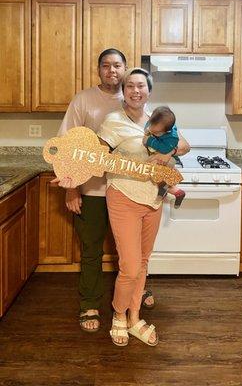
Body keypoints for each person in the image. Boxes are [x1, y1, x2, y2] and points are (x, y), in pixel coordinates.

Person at [56, 49, 154, 333]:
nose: (112, 71)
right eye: (106, 66)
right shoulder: (84, 100)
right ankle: (89, 302)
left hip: (130, 192)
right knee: (92, 250)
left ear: (125, 70)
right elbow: (68, 147)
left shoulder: (136, 98)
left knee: (133, 254)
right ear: (98, 70)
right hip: (93, 191)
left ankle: (136, 294)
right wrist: (71, 189)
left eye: (117, 66)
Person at [98, 68, 190, 346]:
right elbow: (97, 156)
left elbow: (184, 144)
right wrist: (72, 173)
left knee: (143, 262)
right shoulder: (113, 121)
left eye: (141, 86)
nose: (135, 91)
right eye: (130, 86)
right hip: (123, 196)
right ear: (123, 91)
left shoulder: (159, 119)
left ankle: (135, 317)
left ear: (149, 91)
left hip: (153, 199)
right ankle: (118, 316)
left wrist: (167, 153)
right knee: (130, 265)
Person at [143, 105, 186, 208]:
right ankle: (177, 192)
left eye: (156, 132)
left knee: (149, 166)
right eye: (151, 126)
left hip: (170, 159)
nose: (152, 131)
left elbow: (165, 149)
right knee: (157, 173)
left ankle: (166, 189)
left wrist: (149, 140)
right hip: (160, 156)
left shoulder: (172, 137)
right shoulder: (155, 122)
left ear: (166, 131)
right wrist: (149, 132)